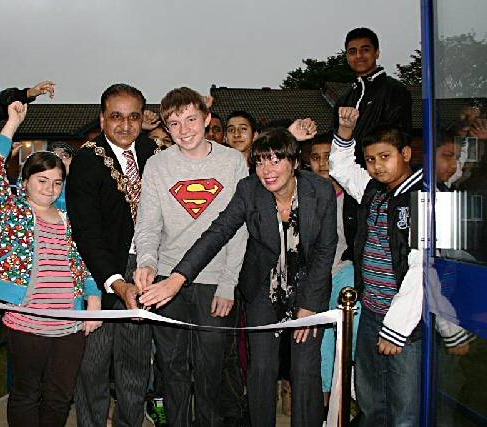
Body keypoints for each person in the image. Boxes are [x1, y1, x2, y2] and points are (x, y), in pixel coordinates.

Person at [142, 126, 337, 427]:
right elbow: (217, 232)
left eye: (275, 160)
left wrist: (309, 305)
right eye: (260, 161)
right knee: (261, 367)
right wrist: (177, 278)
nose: (267, 170)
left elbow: (325, 251)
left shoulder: (319, 191)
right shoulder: (249, 190)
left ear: (295, 162)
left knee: (305, 367)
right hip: (263, 286)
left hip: (307, 287)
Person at [133, 86, 249, 426]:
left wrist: (229, 284)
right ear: (166, 129)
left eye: (191, 120)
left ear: (207, 118)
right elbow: (149, 223)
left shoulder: (232, 162)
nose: (184, 130)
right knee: (172, 367)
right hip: (167, 280)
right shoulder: (157, 165)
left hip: (216, 282)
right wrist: (147, 263)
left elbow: (239, 228)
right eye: (174, 123)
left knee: (211, 369)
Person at [0, 101, 101, 426]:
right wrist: (12, 123)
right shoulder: (12, 211)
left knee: (60, 396)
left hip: (69, 326)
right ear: (26, 181)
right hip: (27, 323)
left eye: (57, 182)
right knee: (26, 394)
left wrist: (93, 299)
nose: (50, 189)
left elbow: (84, 260)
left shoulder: (68, 216)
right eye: (42, 181)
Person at [66, 83, 162, 427]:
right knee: (93, 365)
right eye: (116, 116)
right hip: (100, 273)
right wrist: (116, 282)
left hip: (146, 270)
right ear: (103, 118)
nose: (125, 125)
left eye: (133, 117)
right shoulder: (87, 160)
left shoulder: (155, 153)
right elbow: (86, 232)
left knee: (135, 365)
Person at [330, 107, 424, 426]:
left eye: (385, 156)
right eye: (371, 160)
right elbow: (341, 168)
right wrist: (345, 132)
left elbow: (422, 270)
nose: (377, 166)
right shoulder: (375, 190)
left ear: (406, 153)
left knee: (404, 408)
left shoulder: (422, 197)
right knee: (371, 399)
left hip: (407, 324)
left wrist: (397, 329)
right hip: (371, 310)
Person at [307, 135, 360, 414]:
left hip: (343, 271)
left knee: (346, 325)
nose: (322, 163)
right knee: (321, 337)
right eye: (315, 157)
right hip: (313, 276)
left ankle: (349, 388)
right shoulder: (305, 196)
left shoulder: (354, 197)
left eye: (328, 156)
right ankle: (326, 403)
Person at [333, 27, 412, 165]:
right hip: (346, 178)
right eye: (352, 51)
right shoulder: (344, 99)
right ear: (347, 57)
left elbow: (399, 138)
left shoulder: (395, 91)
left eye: (365, 50)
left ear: (377, 53)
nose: (358, 56)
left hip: (381, 175)